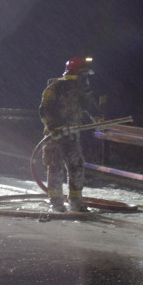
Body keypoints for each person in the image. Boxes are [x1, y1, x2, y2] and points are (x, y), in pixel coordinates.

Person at [38, 56, 100, 212]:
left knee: (77, 167)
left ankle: (76, 202)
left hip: (72, 136)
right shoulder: (55, 88)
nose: (86, 79)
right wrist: (53, 127)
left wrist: (99, 117)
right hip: (55, 136)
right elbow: (44, 110)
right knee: (55, 167)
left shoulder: (81, 91)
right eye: (84, 75)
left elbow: (89, 106)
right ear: (74, 73)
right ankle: (56, 203)